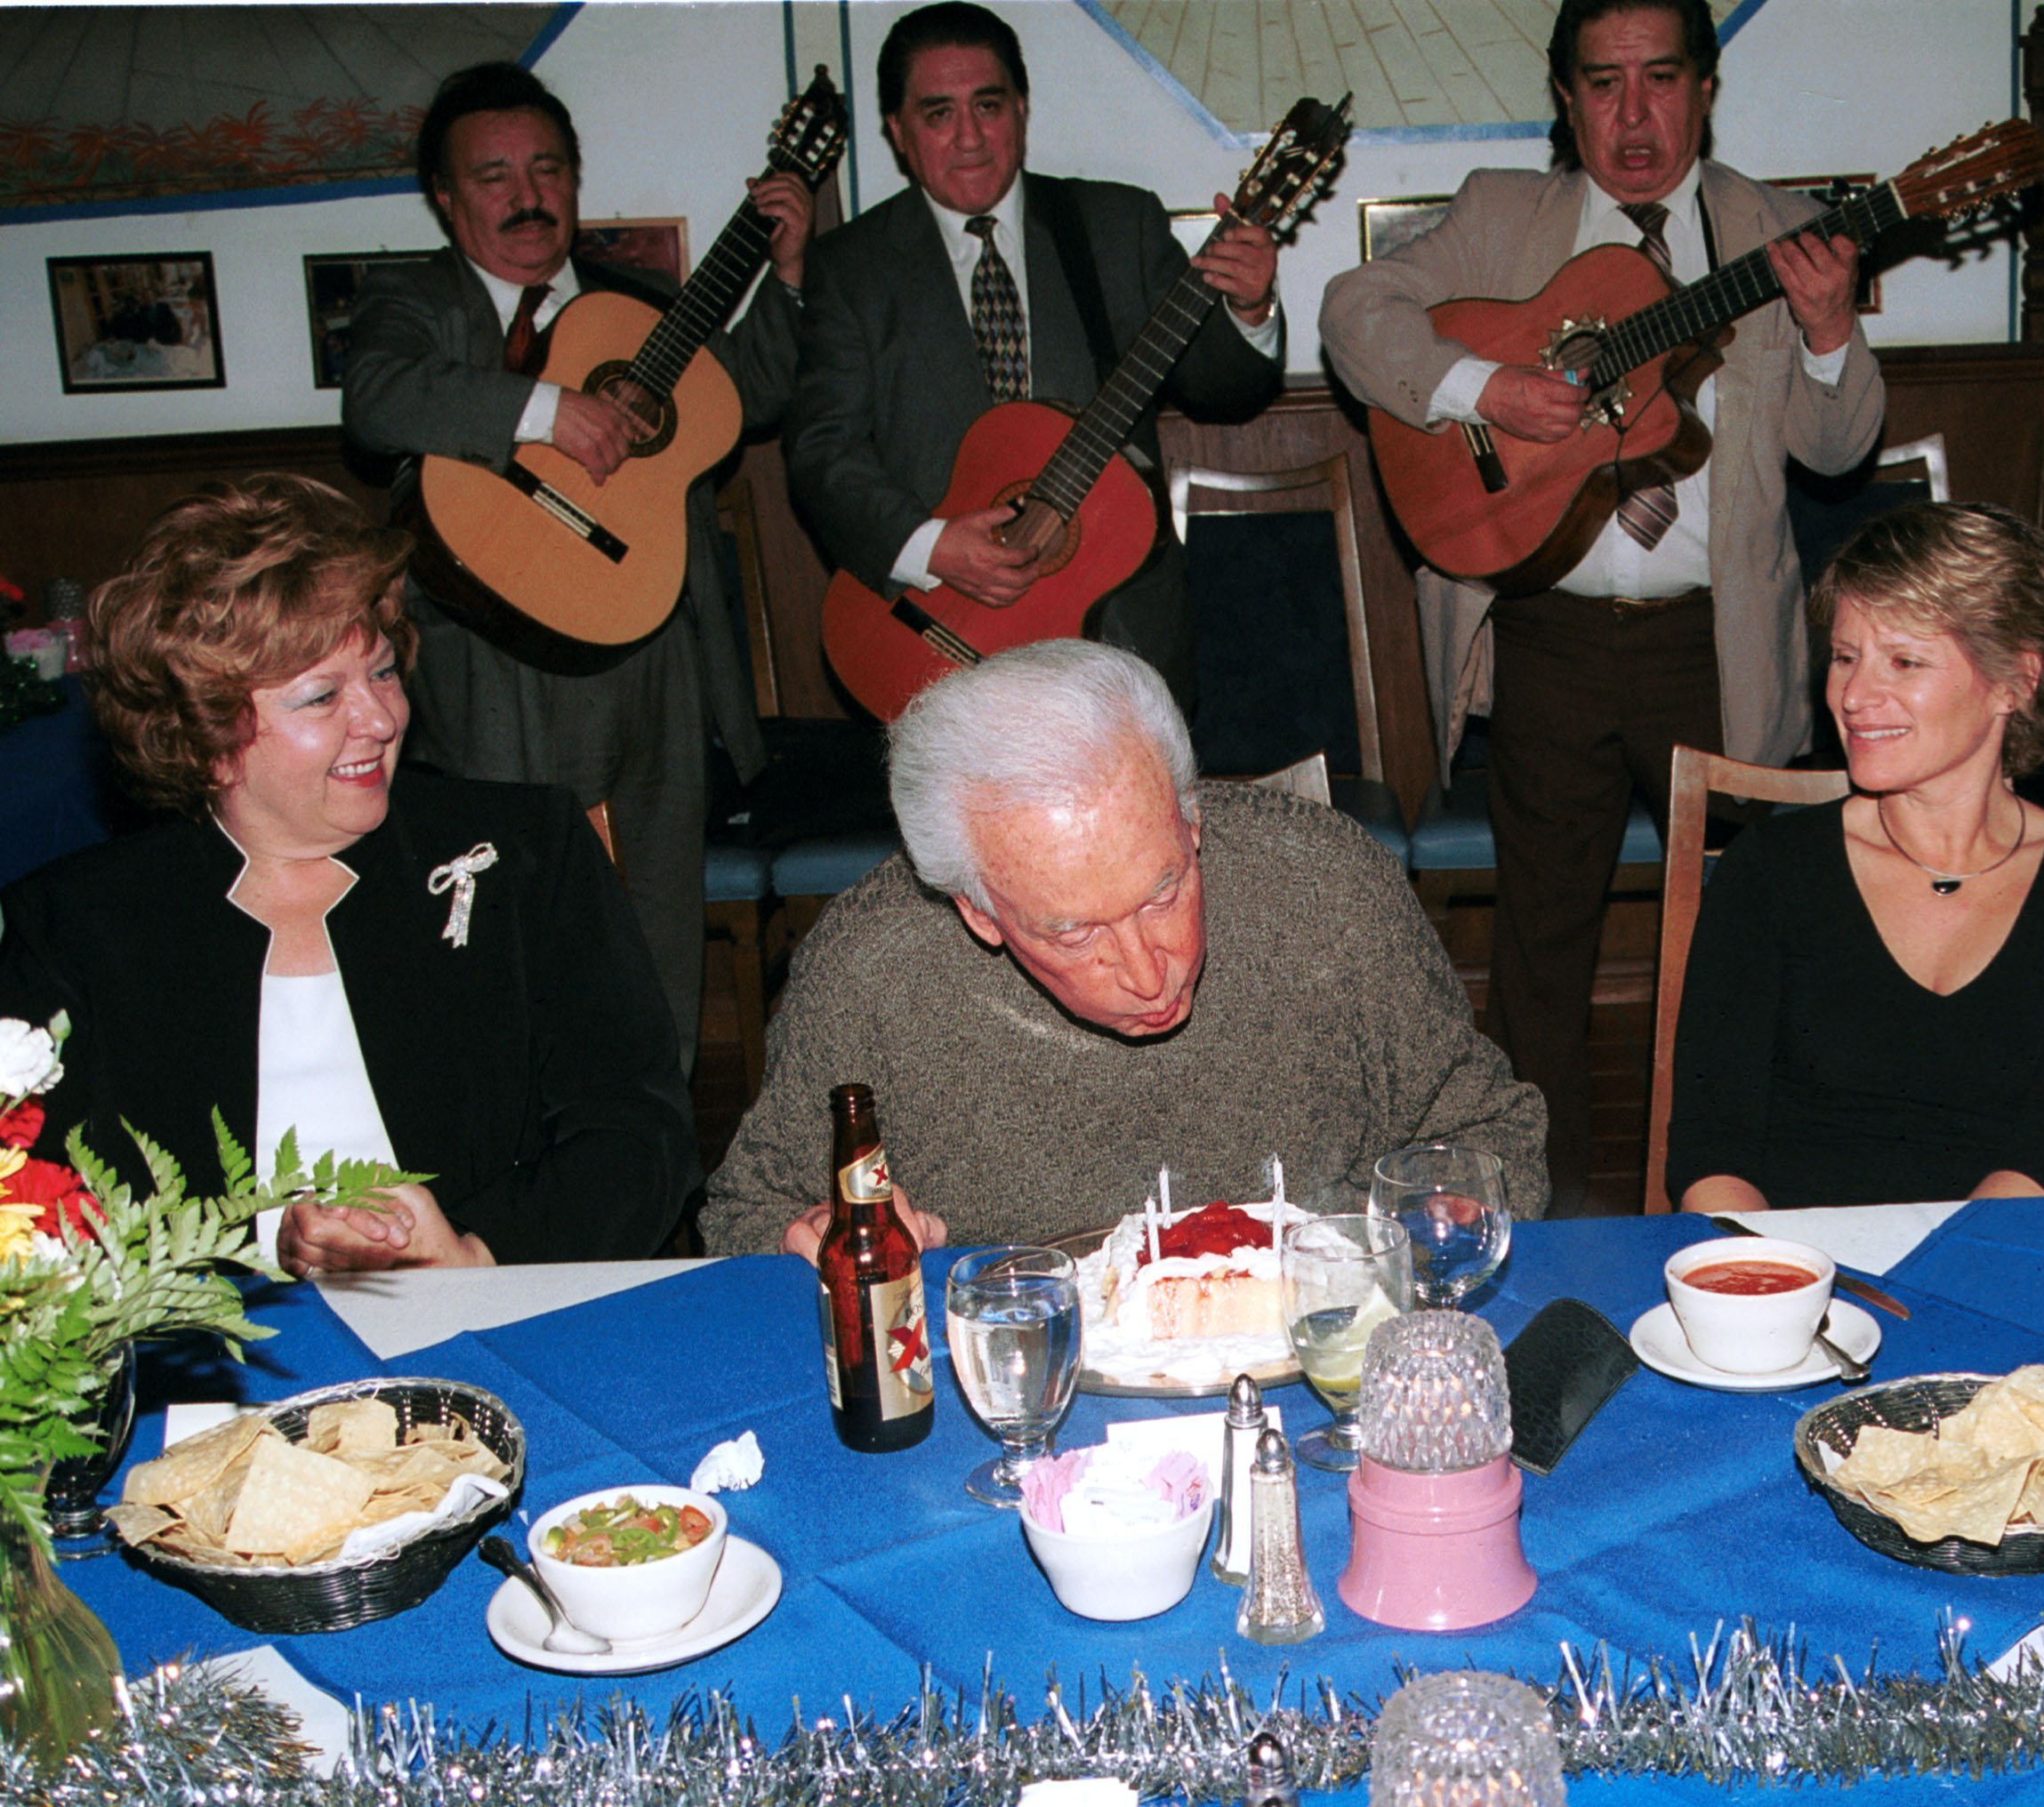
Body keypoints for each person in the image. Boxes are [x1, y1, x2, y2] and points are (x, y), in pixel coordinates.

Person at [1318, 0, 1885, 1214]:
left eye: (1662, 79)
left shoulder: (1777, 232)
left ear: (1706, 86)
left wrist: (1831, 328)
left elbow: (1838, 449)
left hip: (1714, 645)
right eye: (1605, 83)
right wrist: (1488, 387)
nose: (1635, 117)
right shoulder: (1499, 216)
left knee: (1755, 949)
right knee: (1540, 957)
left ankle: (1732, 1210)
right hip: (1550, 637)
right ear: (1566, 98)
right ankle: (1546, 1217)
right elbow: (1353, 317)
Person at [0, 476, 697, 1274]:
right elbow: (33, 1212)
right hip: (209, 1366)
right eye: (322, 696)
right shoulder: (75, 926)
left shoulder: (518, 851)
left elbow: (641, 1133)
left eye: (383, 672)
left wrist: (476, 1259)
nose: (381, 718)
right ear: (205, 728)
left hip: (498, 1315)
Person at [704, 639, 1549, 1258]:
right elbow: (748, 1211)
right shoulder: (869, 971)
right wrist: (806, 1247)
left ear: (1189, 818)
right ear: (977, 910)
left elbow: (1487, 1126)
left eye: (1164, 890)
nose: (1150, 971)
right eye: (1071, 931)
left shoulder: (1331, 888)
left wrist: (1438, 1218)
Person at [341, 60, 812, 1070]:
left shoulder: (637, 305)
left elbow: (752, 395)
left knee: (657, 922)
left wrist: (791, 276)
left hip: (655, 645)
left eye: (548, 170)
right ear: (445, 198)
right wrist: (550, 412)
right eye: (494, 176)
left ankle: (659, 1145)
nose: (527, 197)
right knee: (517, 906)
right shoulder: (410, 303)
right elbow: (378, 401)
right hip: (490, 653)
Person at [1668, 503, 2044, 1209]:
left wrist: (1927, 1297)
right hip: (1792, 1276)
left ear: (2016, 682)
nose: (1854, 695)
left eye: (1904, 660)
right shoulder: (1770, 872)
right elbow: (1712, 1150)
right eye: (1845, 656)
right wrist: (1778, 1298)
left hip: (1997, 1264)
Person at [785, 1, 1284, 707]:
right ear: (897, 133)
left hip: (1117, 628)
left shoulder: (1117, 225)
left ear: (1021, 109)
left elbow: (1222, 386)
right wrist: (930, 549)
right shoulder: (850, 268)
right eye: (937, 114)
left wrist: (1250, 306)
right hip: (940, 634)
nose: (968, 138)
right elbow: (821, 450)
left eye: (988, 106)